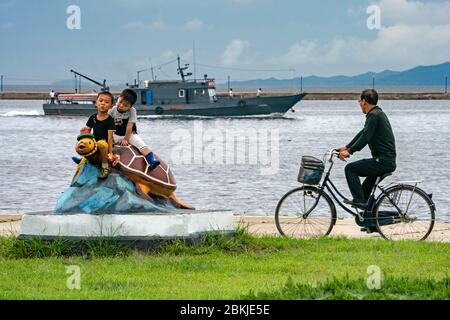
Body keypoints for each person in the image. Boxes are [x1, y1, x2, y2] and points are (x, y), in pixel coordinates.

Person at [337, 89, 396, 211]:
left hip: (383, 162)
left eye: (359, 101)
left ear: (364, 101)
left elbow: (365, 137)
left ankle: (359, 202)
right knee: (365, 195)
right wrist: (347, 147)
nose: (359, 104)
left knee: (350, 169)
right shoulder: (376, 113)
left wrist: (350, 151)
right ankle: (371, 222)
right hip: (384, 161)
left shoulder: (374, 115)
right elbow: (363, 133)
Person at [108, 89, 160, 170]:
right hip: (115, 134)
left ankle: (151, 161)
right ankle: (86, 159)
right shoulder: (112, 110)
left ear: (130, 106)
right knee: (101, 144)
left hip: (129, 134)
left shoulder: (132, 111)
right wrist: (110, 139)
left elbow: (129, 126)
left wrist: (126, 139)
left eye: (125, 105)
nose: (121, 106)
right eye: (120, 102)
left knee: (141, 145)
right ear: (118, 98)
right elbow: (107, 126)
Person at [78, 91, 116, 179]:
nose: (103, 103)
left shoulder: (110, 120)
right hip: (94, 145)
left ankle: (105, 167)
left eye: (106, 102)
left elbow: (110, 137)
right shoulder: (93, 118)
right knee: (84, 143)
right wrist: (83, 132)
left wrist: (110, 153)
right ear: (96, 103)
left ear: (111, 106)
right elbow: (87, 132)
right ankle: (84, 159)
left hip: (104, 146)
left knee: (102, 144)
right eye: (101, 101)